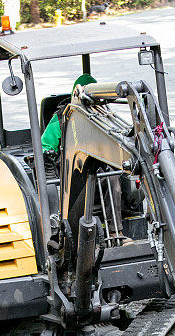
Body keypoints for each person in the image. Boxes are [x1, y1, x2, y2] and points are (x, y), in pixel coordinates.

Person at [41, 75, 128, 243]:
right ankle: (75, 238)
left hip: (98, 166)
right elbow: (46, 146)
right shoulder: (61, 118)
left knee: (113, 175)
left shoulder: (103, 116)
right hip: (72, 169)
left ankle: (115, 231)